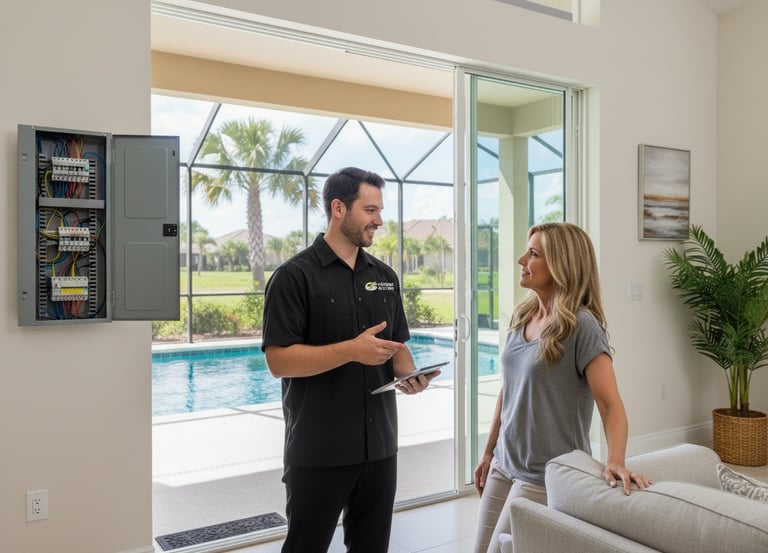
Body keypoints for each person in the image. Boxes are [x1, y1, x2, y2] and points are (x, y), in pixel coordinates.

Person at [261, 166, 440, 553]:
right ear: (338, 208)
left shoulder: (386, 276)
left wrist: (410, 374)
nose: (379, 220)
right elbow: (279, 361)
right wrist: (350, 351)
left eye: (379, 210)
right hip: (319, 450)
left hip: (379, 450)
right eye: (370, 209)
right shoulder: (293, 277)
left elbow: (396, 346)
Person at [472, 222, 652, 553]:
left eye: (533, 253)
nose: (521, 259)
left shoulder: (582, 326)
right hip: (503, 465)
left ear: (561, 264)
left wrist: (616, 460)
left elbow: (611, 405)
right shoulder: (523, 315)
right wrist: (488, 452)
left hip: (545, 474)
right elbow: (509, 389)